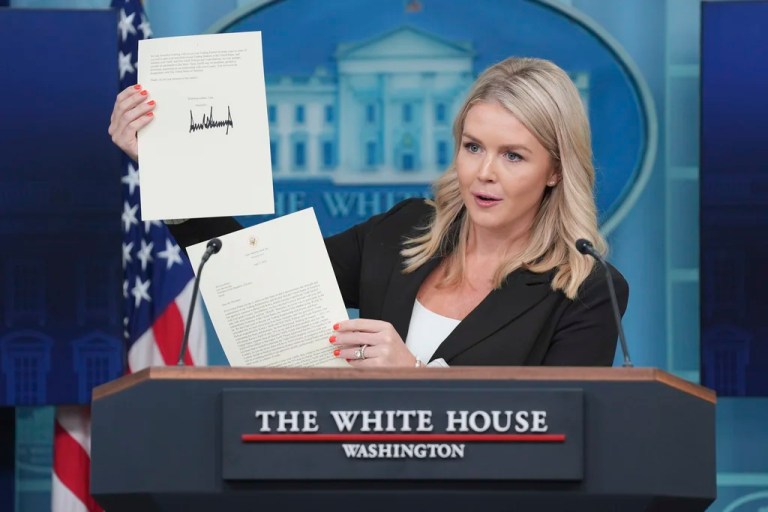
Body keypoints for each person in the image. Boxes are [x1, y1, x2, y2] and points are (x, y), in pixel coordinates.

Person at [108, 57, 628, 368]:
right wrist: (167, 168)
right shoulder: (405, 230)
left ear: (556, 170)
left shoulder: (587, 290)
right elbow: (251, 277)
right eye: (473, 147)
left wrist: (418, 380)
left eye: (513, 155)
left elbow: (561, 433)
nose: (484, 172)